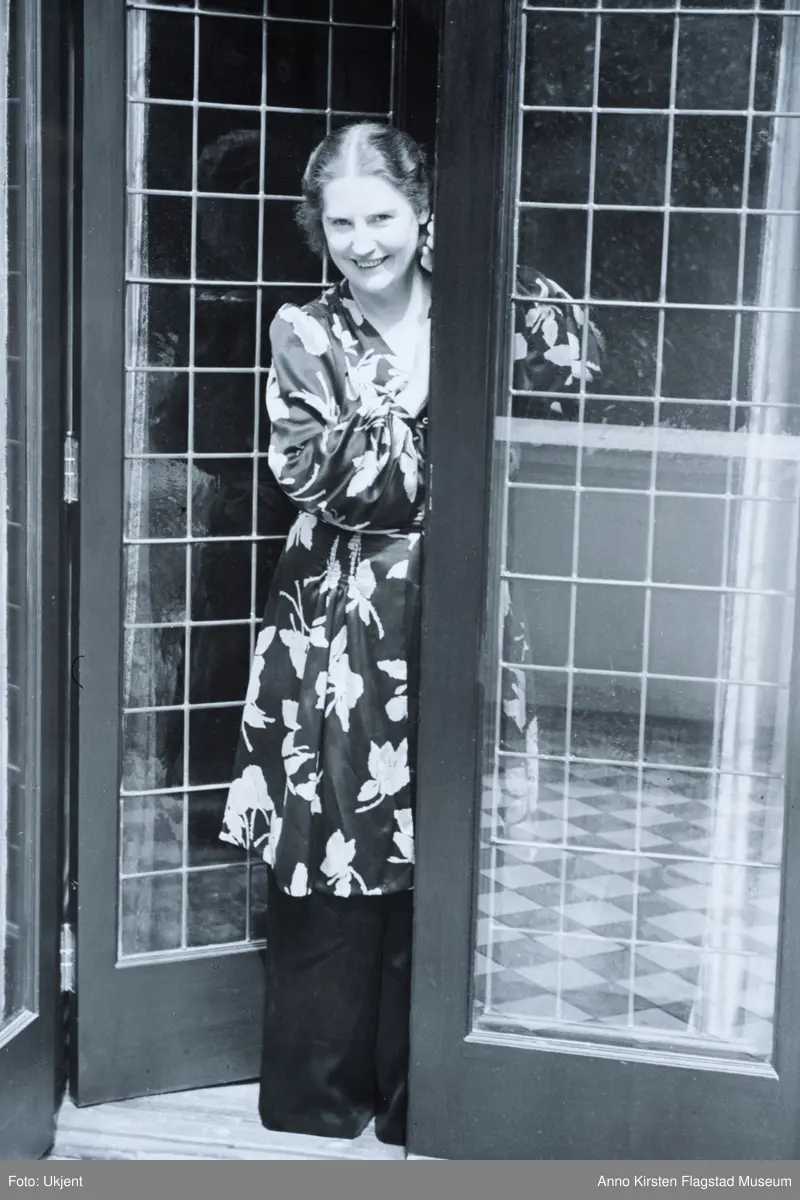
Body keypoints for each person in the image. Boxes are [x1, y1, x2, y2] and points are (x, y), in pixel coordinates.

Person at [219, 120, 600, 1147]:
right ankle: (321, 1098)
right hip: (342, 623)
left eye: (381, 217)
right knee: (339, 837)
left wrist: (488, 283)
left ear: (422, 212)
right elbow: (317, 477)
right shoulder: (303, 330)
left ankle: (419, 1099)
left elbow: (577, 367)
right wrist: (435, 403)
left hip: (465, 598)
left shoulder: (483, 296)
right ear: (319, 227)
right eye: (339, 222)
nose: (361, 241)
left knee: (445, 837)